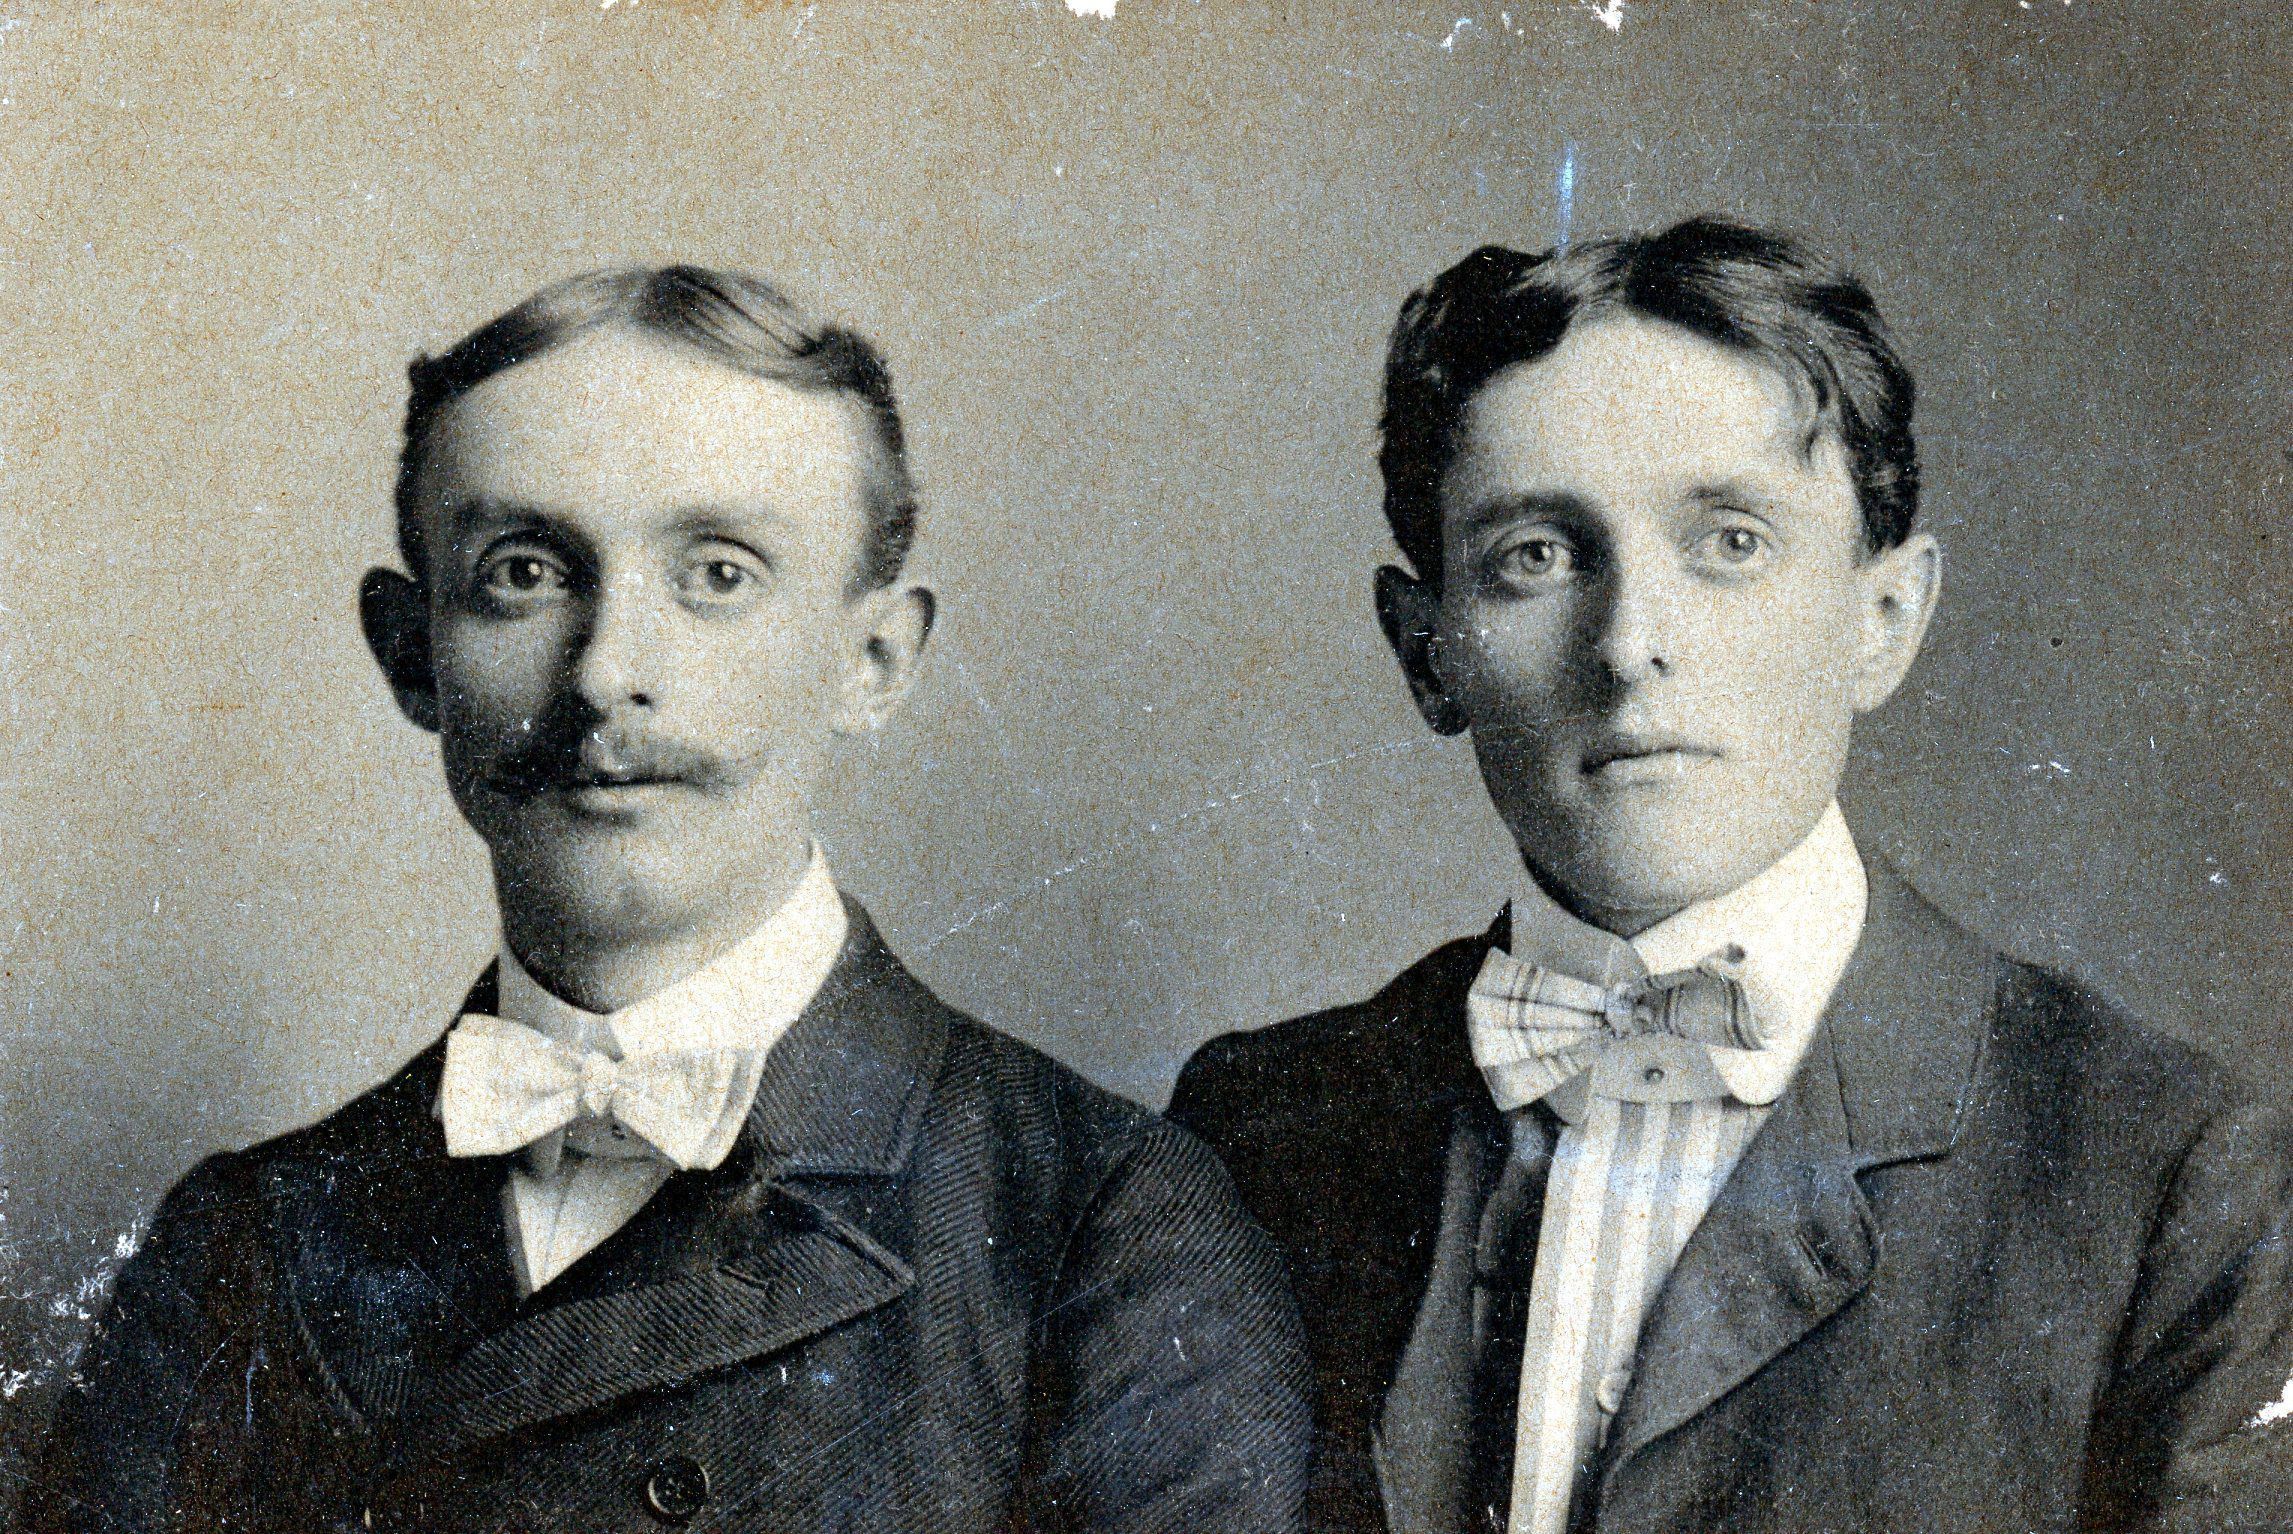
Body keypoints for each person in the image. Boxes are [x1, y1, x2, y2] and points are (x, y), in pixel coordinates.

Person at [26, 266, 1310, 1533]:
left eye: (717, 575)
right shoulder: (239, 1247)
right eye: (523, 573)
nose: (606, 674)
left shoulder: (1103, 1226)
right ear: (413, 654)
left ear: (872, 660)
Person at [1168, 217, 2293, 1533]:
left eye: (1731, 541)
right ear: (1427, 654)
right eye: (1536, 555)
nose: (1631, 644)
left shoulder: (2173, 1187)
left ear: (1882, 619)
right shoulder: (1259, 1133)